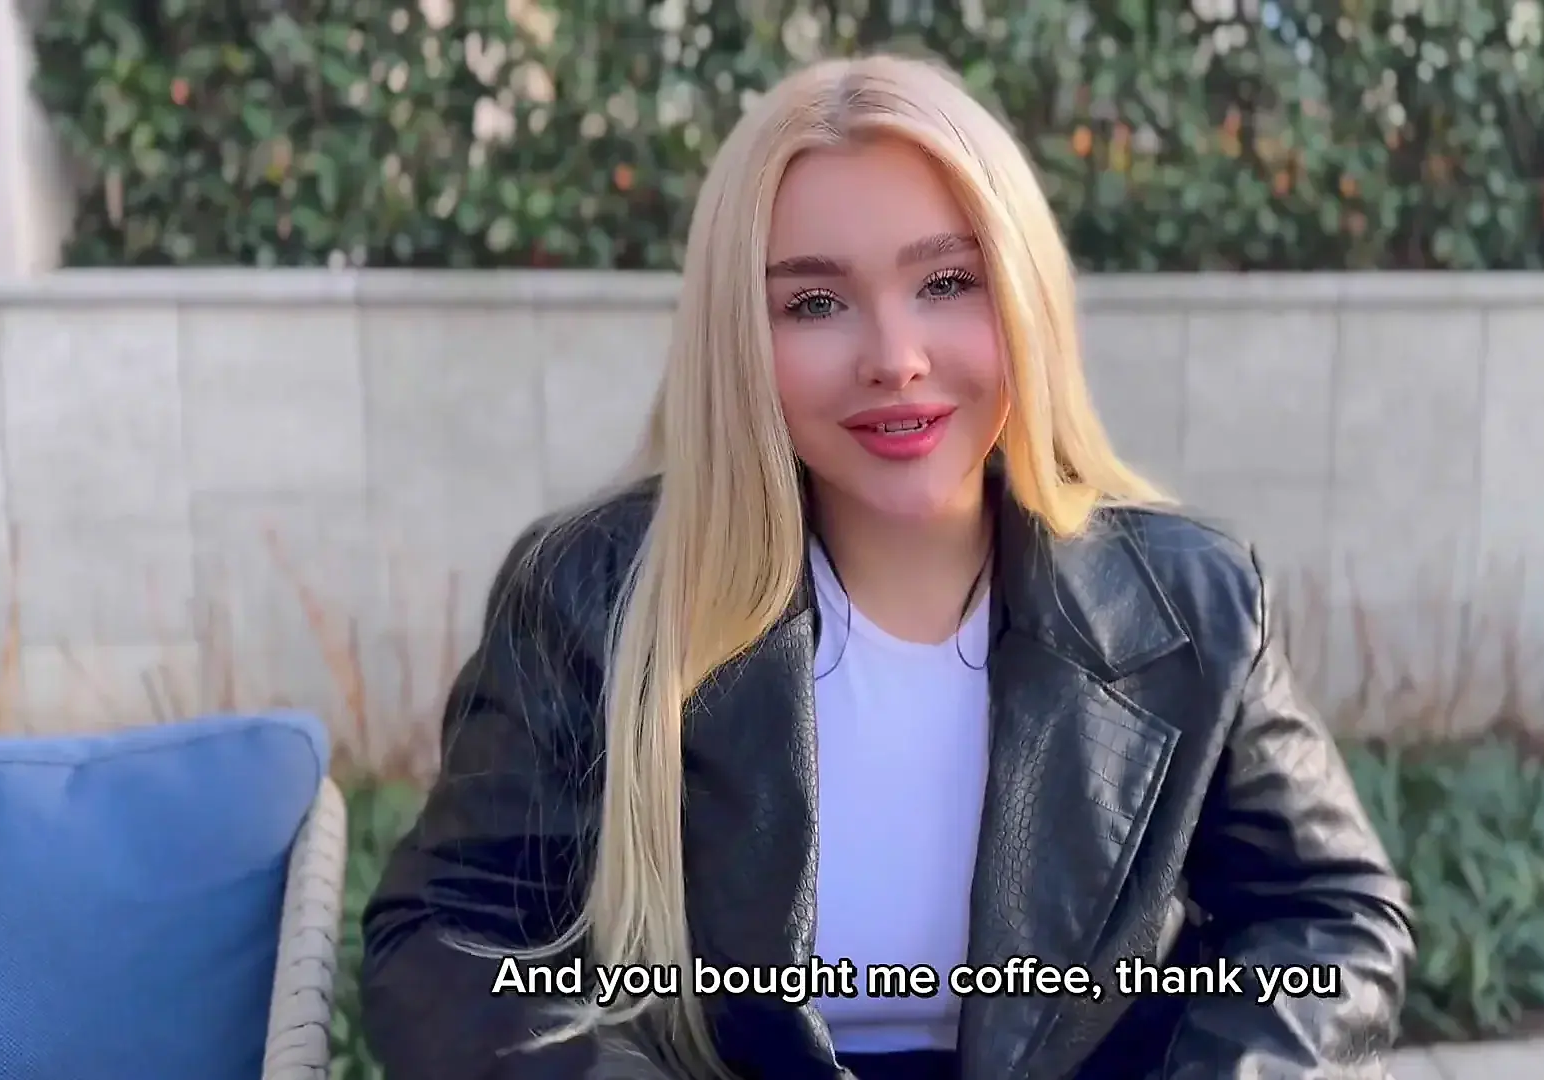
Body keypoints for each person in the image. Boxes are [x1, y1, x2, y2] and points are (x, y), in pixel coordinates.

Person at [359, 52, 1414, 1080]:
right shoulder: (591, 594)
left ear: (1025, 297)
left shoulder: (1195, 602)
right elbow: (449, 940)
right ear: (740, 339)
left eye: (947, 282)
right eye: (814, 303)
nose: (895, 358)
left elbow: (1331, 918)